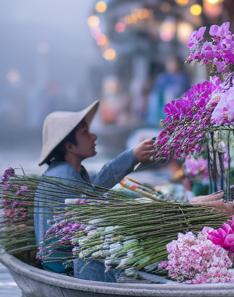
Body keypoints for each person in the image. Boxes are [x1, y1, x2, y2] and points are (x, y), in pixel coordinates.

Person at [33, 100, 156, 281]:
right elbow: (87, 213)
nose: (93, 136)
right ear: (69, 146)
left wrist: (132, 156)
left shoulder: (70, 170)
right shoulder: (64, 177)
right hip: (63, 268)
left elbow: (96, 185)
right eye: (85, 133)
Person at [147, 56, 190, 125]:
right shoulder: (163, 77)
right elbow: (157, 89)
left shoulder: (182, 78)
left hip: (175, 105)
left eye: (173, 63)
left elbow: (178, 92)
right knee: (154, 97)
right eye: (169, 63)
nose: (171, 65)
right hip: (160, 105)